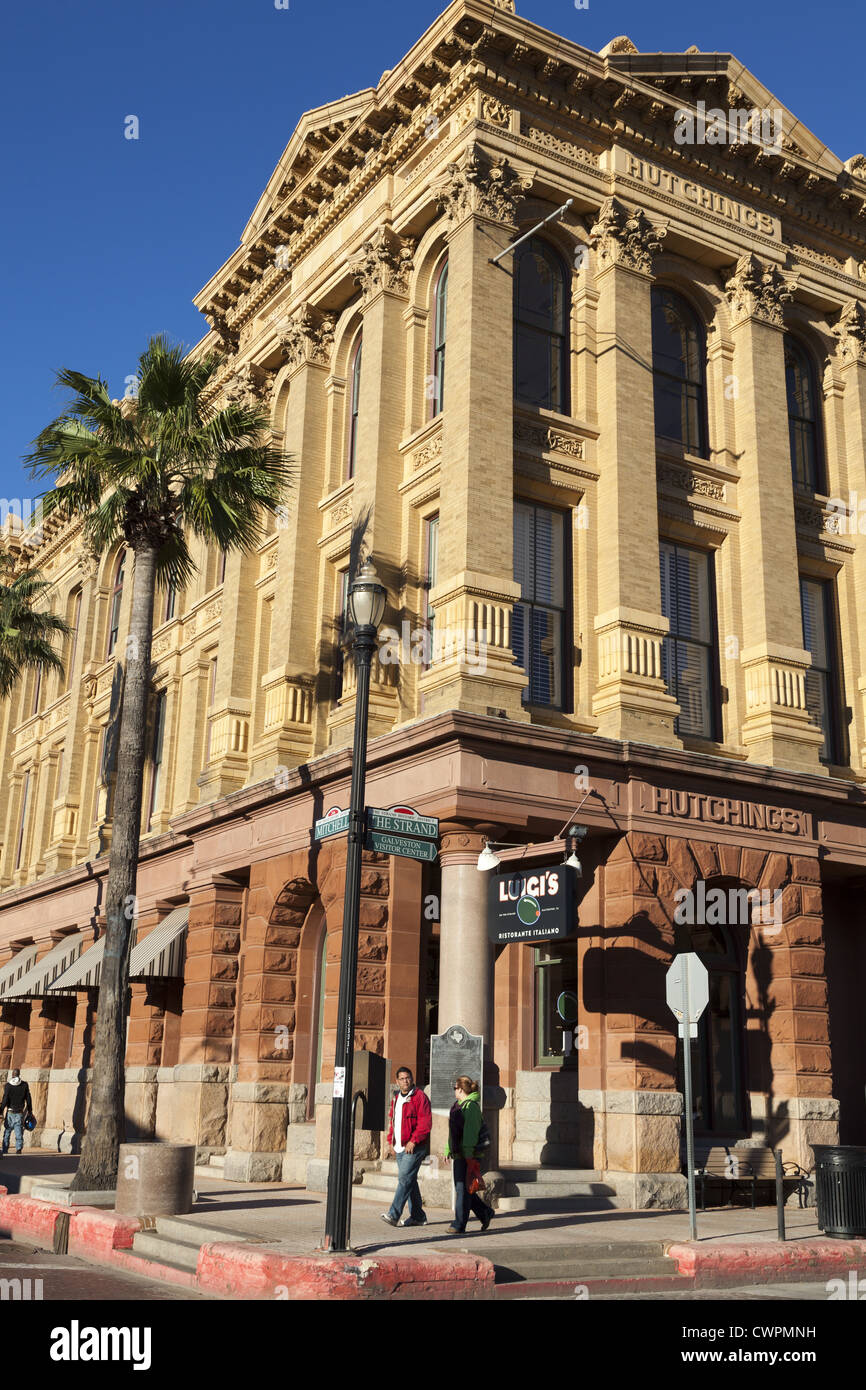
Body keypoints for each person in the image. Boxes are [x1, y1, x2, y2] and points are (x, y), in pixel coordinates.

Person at [380, 1066, 432, 1228]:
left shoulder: (420, 1097)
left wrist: (414, 1140)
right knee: (409, 1181)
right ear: (397, 1082)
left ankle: (394, 1214)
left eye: (408, 1077)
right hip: (399, 1147)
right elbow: (393, 1123)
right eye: (402, 1079)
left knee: (404, 1179)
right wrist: (391, 1142)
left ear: (412, 1079)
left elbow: (425, 1123)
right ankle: (418, 1216)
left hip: (414, 1147)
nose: (405, 1081)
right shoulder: (397, 1098)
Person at [445, 1076, 494, 1234]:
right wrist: (448, 1150)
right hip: (459, 1153)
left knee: (462, 1189)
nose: (454, 1090)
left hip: (469, 1153)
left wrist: (468, 1155)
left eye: (455, 1088)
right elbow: (453, 1132)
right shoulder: (458, 1105)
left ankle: (459, 1224)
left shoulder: (471, 1107)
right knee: (464, 1189)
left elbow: (470, 1134)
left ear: (460, 1089)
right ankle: (485, 1212)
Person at [0, 1068, 33, 1157]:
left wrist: (1, 1110)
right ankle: (18, 1149)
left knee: (7, 1131)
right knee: (18, 1131)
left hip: (10, 1112)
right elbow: (28, 1098)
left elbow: (5, 1099)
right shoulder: (24, 1085)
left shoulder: (8, 1086)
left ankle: (5, 1149)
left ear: (12, 1075)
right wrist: (30, 1110)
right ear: (19, 1074)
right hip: (19, 1112)